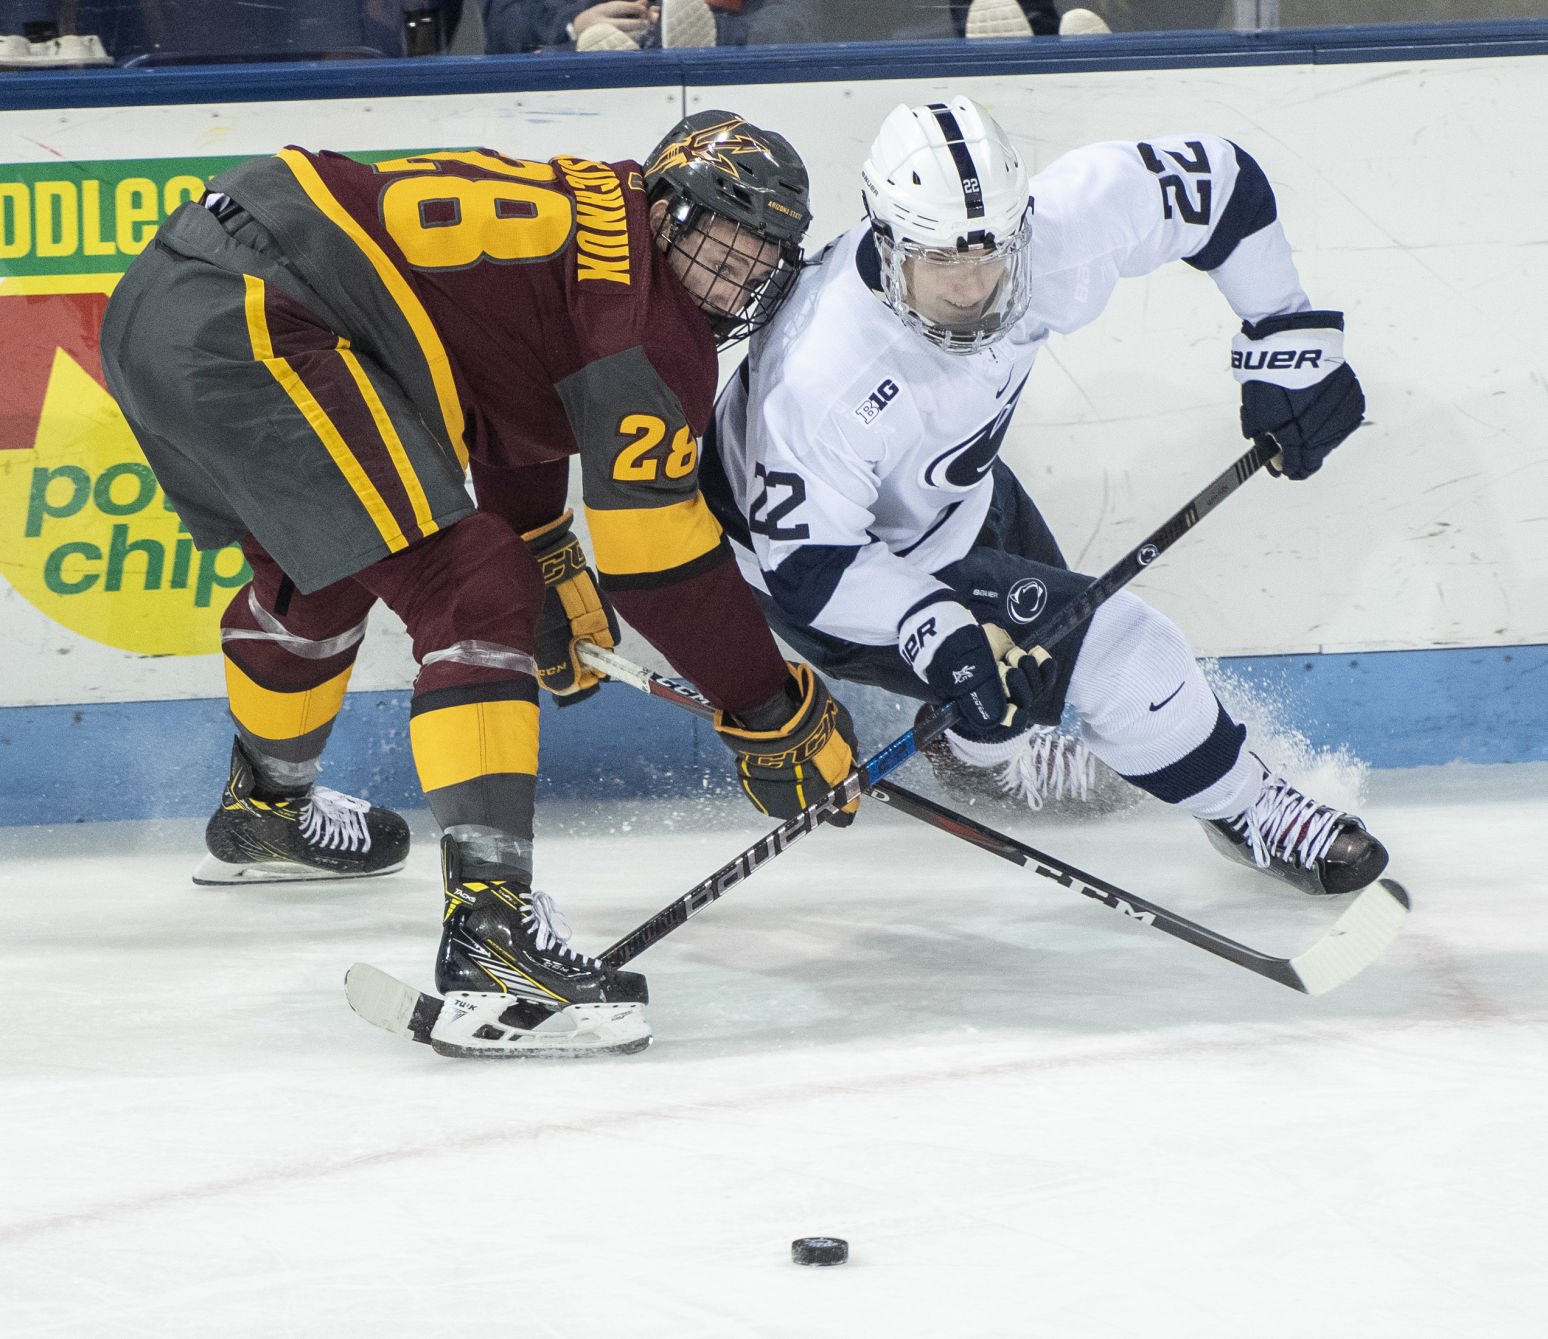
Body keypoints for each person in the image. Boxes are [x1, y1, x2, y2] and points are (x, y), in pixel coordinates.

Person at [99, 110, 859, 1058]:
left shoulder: (601, 209)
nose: (745, 269)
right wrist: (769, 707)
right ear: (669, 214)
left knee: (325, 561)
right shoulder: (654, 331)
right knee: (470, 585)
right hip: (266, 313)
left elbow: (515, 387)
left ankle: (267, 809)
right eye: (729, 236)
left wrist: (545, 547)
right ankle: (493, 937)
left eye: (767, 252)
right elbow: (658, 570)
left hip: (172, 293)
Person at [702, 96, 1388, 898]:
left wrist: (1286, 335)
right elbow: (809, 568)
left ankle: (976, 747)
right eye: (942, 263)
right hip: (842, 569)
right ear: (888, 245)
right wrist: (936, 628)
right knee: (1124, 653)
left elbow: (1226, 186)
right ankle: (1254, 810)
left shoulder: (1059, 232)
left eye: (992, 254)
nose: (974, 288)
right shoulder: (822, 373)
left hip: (959, 489)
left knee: (1032, 679)